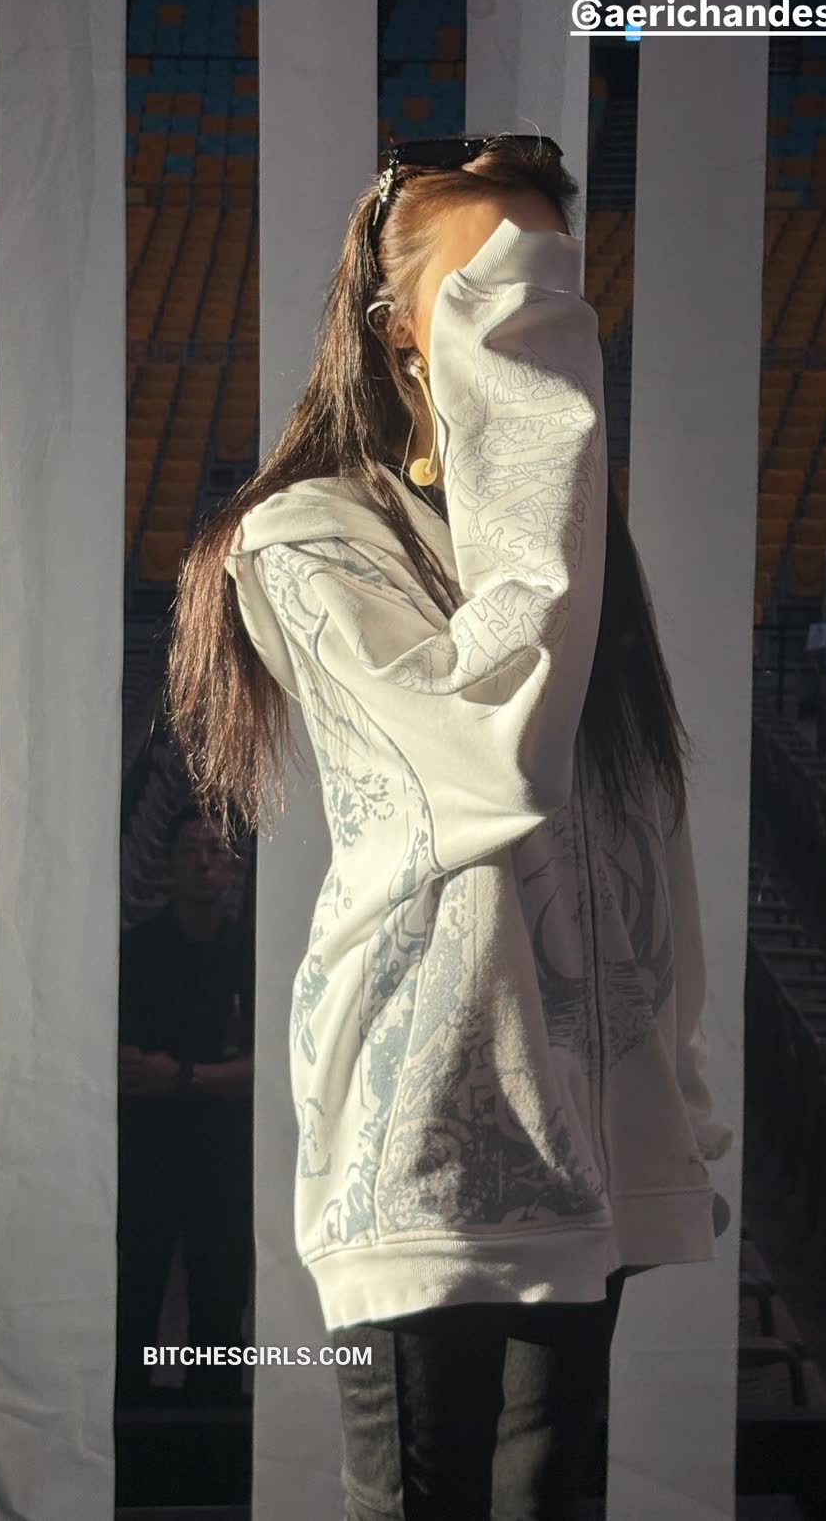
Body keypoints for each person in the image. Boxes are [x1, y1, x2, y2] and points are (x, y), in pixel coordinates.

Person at [166, 133, 733, 1517]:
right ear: (398, 330)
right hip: (425, 1116)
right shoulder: (304, 537)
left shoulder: (572, 558)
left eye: (557, 287)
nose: (536, 322)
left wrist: (669, 1080)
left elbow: (639, 834)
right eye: (494, 288)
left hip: (587, 1111)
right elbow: (497, 757)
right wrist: (541, 432)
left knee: (552, 1496)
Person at [116, 807, 255, 1408]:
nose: (203, 862)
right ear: (169, 863)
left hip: (224, 1157)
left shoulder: (252, 955)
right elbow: (122, 1063)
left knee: (221, 1302)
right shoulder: (136, 952)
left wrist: (181, 1076)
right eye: (191, 850)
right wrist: (217, 1078)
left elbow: (272, 1068)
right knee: (133, 1294)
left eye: (215, 850)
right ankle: (124, 1427)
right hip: (145, 1154)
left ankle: (214, 1432)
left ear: (233, 866)